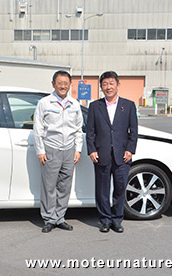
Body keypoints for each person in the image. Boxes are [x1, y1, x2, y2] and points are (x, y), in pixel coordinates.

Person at [86, 71, 138, 233]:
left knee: (120, 188)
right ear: (101, 87)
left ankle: (117, 219)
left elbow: (134, 131)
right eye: (105, 84)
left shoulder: (128, 105)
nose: (108, 87)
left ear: (118, 85)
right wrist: (92, 150)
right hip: (101, 155)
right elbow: (90, 132)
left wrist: (130, 149)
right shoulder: (95, 106)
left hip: (122, 155)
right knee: (102, 189)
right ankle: (105, 220)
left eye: (111, 83)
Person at [33, 70, 84, 233]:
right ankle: (49, 219)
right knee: (49, 186)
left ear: (70, 85)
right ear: (53, 84)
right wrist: (40, 150)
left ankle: (60, 217)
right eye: (59, 83)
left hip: (69, 150)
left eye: (66, 83)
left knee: (64, 186)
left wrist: (78, 149)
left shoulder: (74, 104)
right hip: (51, 149)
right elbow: (38, 128)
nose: (63, 86)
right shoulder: (45, 103)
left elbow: (78, 129)